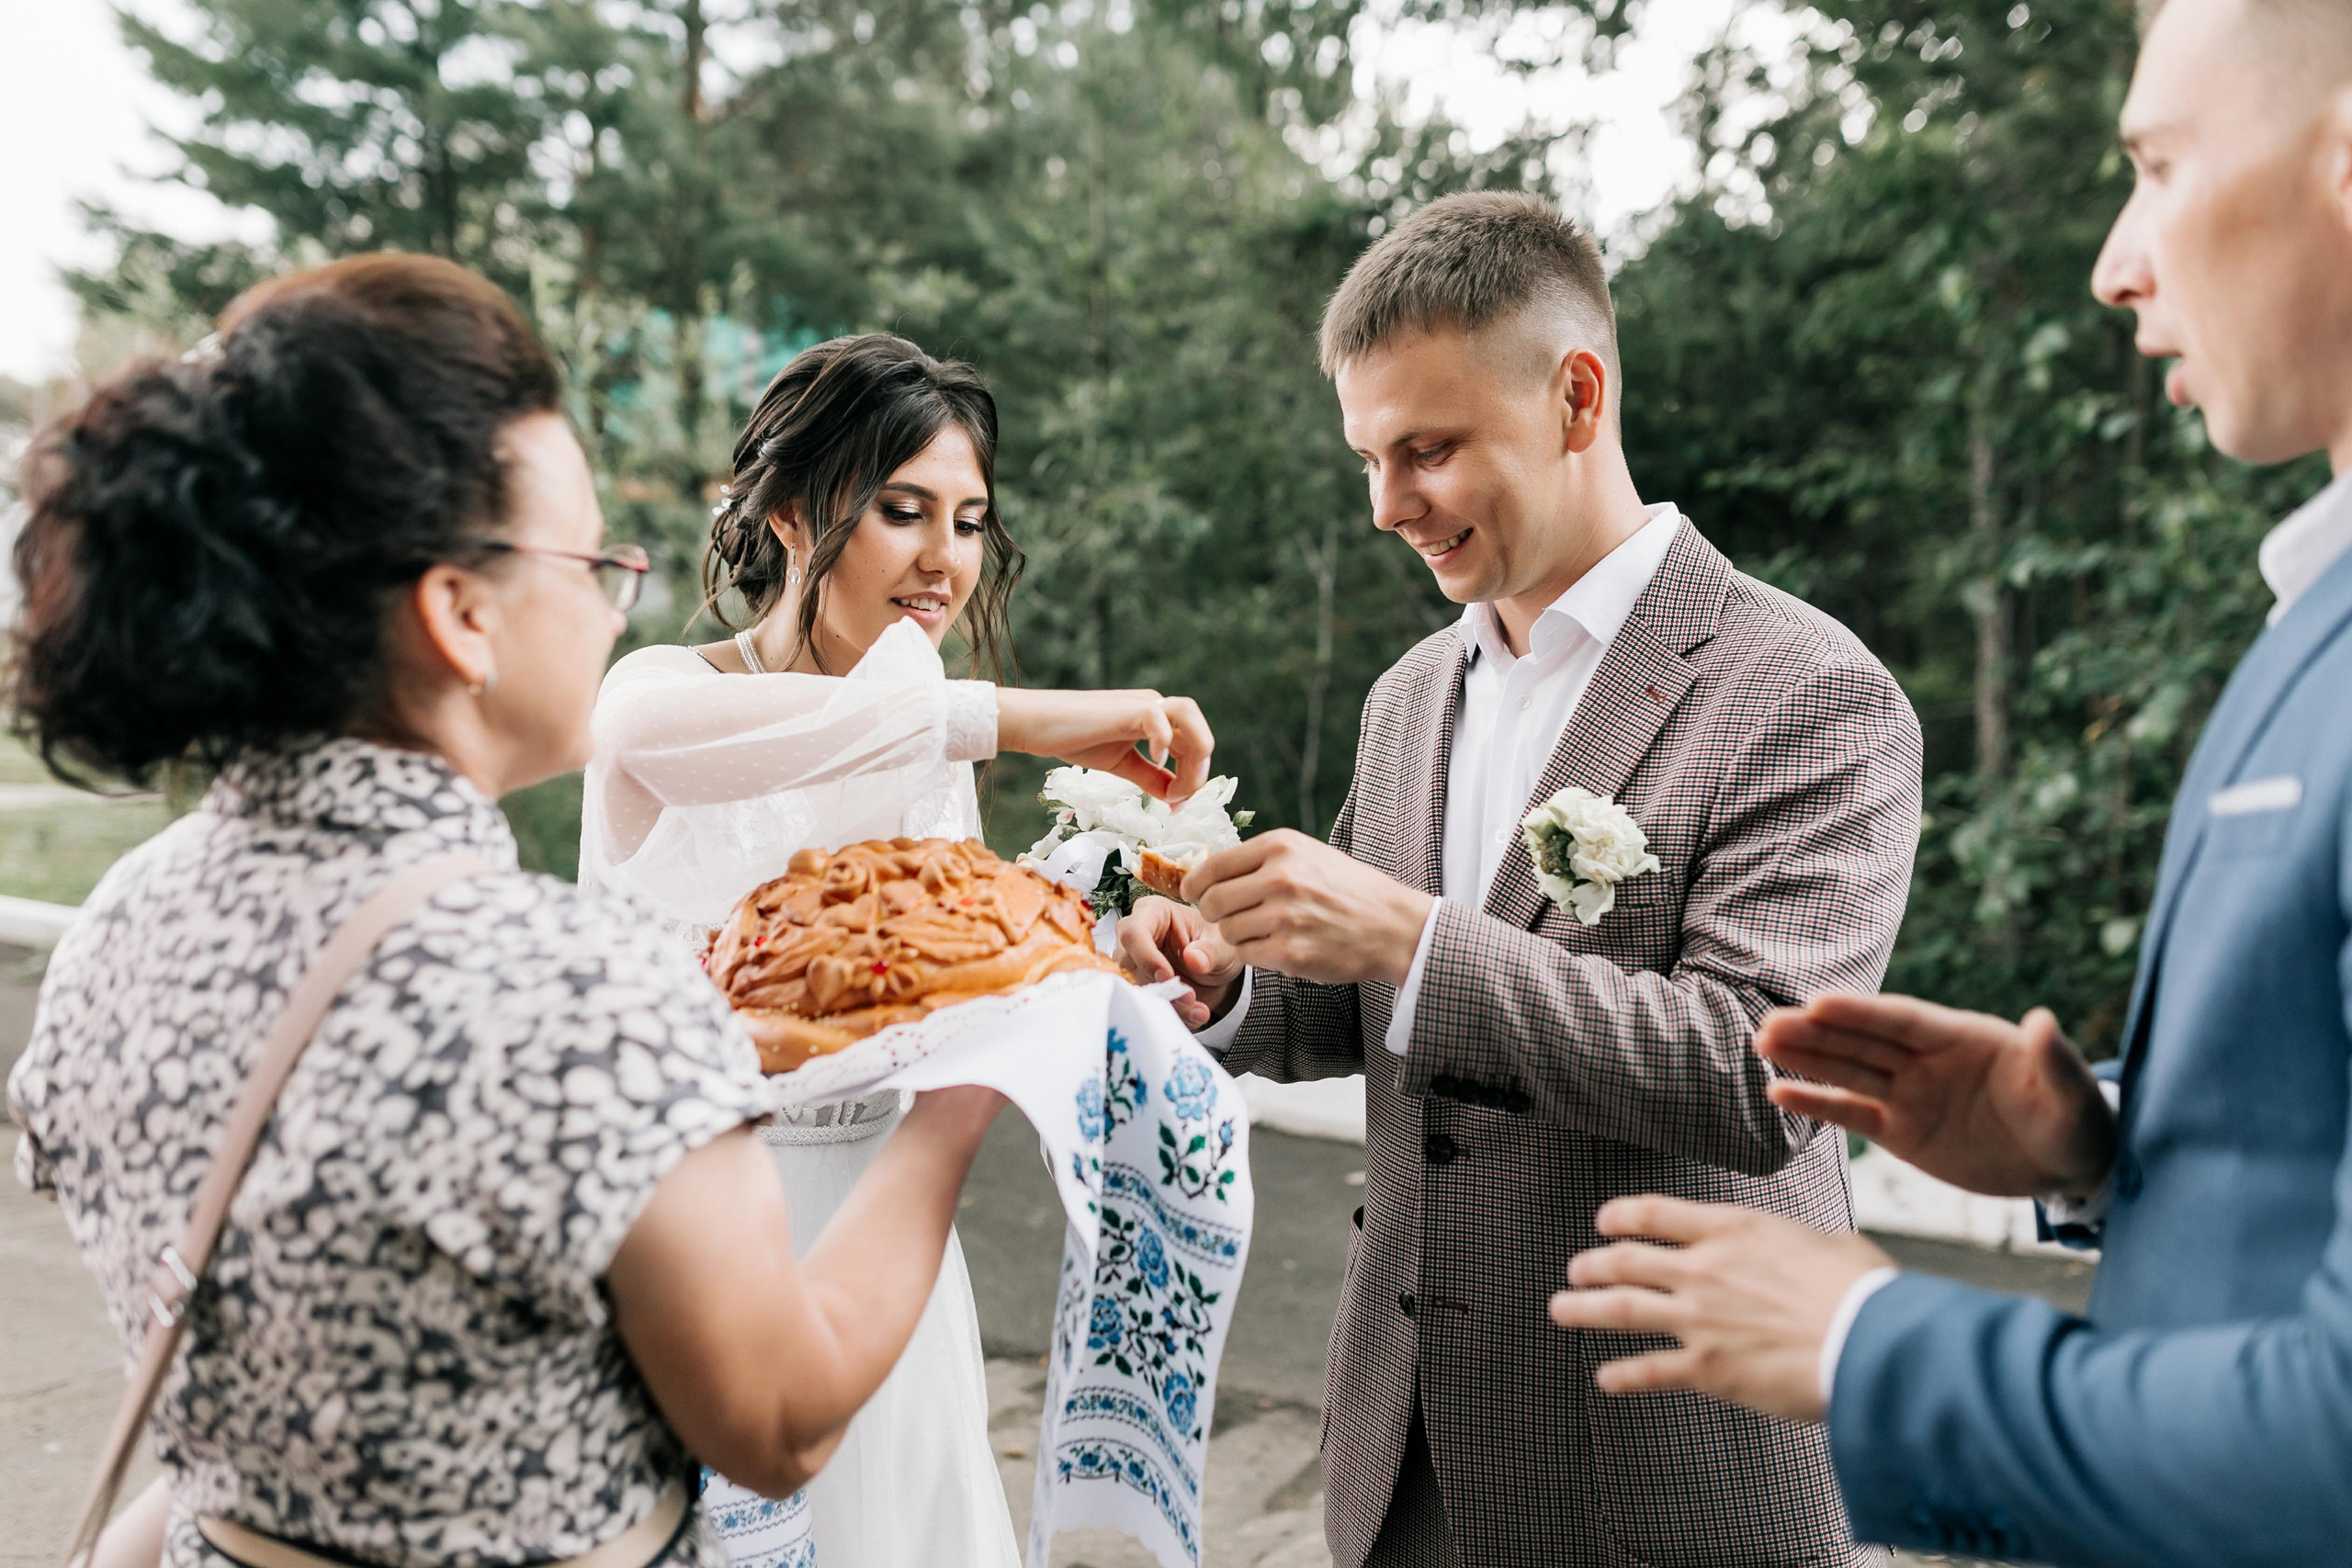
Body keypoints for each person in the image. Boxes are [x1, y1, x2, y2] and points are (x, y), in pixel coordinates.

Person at [5, 254, 1012, 1568]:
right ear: (458, 614)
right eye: (595, 562)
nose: (613, 604)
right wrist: (962, 1104)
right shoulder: (569, 989)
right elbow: (778, 1414)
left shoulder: (118, 924)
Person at [1546, 1, 2352, 1562]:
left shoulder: (1808, 685)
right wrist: (2105, 1147)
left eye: (2160, 166)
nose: (2118, 262)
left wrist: (1865, 1345)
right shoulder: (2312, 611)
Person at [1118, 192, 1923, 1567]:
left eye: (1428, 451)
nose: (1387, 507)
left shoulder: (1812, 692)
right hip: (1408, 1435)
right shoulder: (1408, 694)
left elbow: (1760, 1078)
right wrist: (1231, 981)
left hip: (1674, 1456)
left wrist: (1415, 937)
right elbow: (1367, 1001)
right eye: (1369, 459)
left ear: (1576, 396)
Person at [580, 332, 1212, 1568]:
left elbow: (946, 993)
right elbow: (650, 727)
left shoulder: (927, 747)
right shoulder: (666, 695)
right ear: (787, 511)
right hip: (686, 1247)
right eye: (903, 510)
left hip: (888, 1241)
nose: (944, 559)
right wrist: (1029, 721)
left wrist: (1094, 965)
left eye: (970, 521)